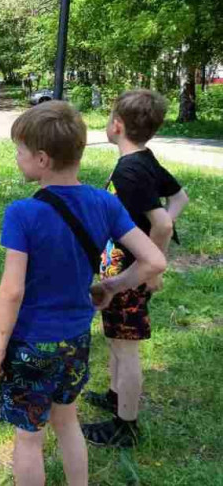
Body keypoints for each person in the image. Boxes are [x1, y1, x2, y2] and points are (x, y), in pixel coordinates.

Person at [0, 101, 167, 486]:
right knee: (67, 422)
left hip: (30, 344)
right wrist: (112, 286)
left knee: (29, 438)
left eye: (20, 151)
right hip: (75, 341)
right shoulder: (105, 202)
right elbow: (154, 260)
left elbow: (12, 290)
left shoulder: (22, 213)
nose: (17, 158)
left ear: (42, 159)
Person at [81, 90, 189, 447]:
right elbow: (179, 198)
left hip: (129, 274)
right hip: (123, 270)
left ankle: (125, 426)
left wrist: (151, 267)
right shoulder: (143, 159)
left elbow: (162, 223)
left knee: (125, 347)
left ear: (117, 125)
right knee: (116, 338)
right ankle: (115, 396)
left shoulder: (130, 171)